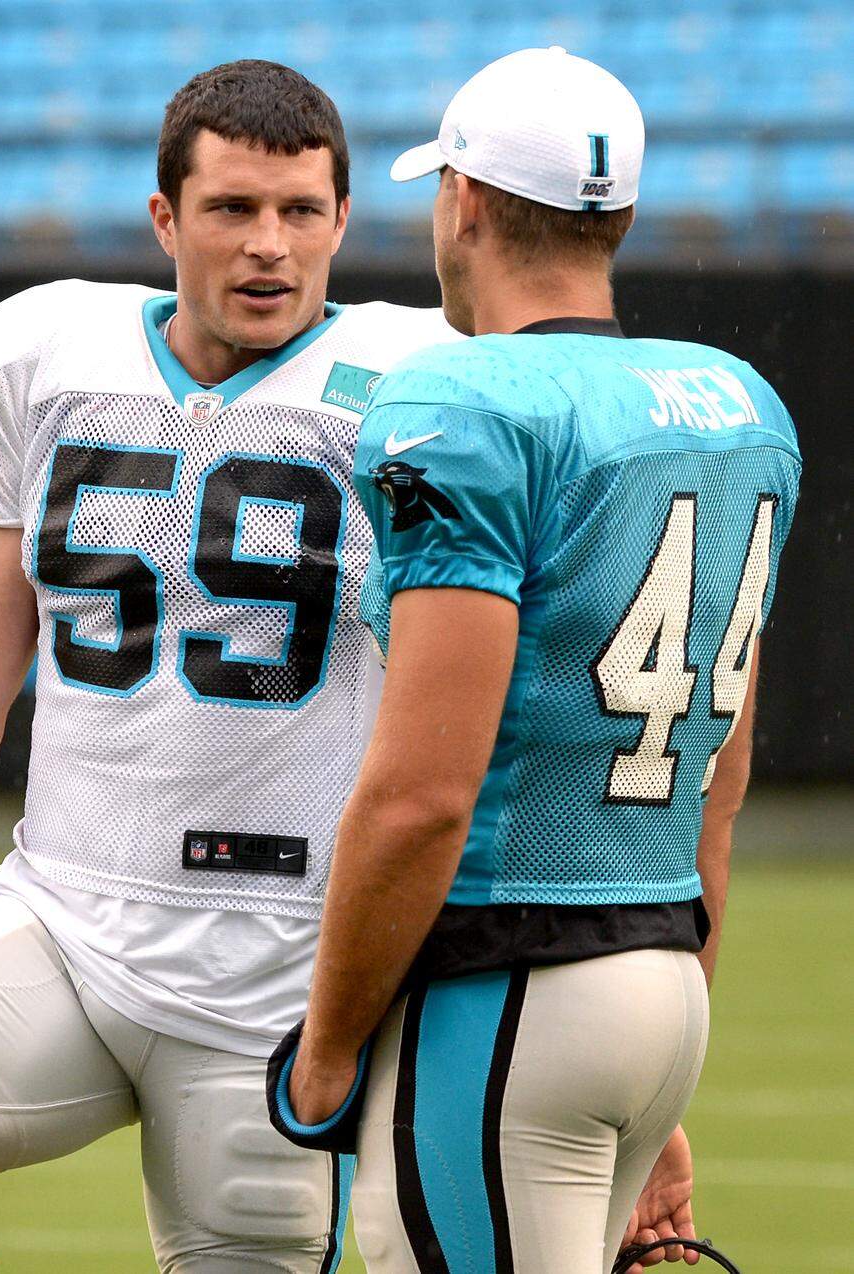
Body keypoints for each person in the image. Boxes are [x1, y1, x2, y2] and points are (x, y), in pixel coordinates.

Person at [0, 61, 458, 1273]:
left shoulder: (427, 387)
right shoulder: (45, 359)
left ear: (345, 219)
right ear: (164, 218)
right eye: (233, 209)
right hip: (65, 918)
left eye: (300, 211)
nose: (269, 247)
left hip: (287, 962)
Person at [268, 47, 801, 1273]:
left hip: (505, 984)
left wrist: (332, 1038)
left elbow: (422, 796)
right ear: (616, 212)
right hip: (661, 972)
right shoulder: (738, 401)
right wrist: (674, 1023)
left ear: (461, 200)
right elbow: (720, 779)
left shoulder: (463, 404)